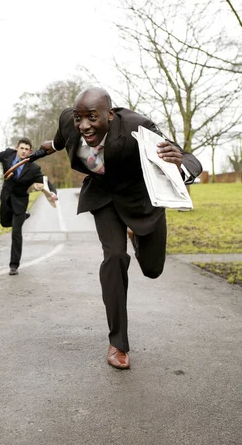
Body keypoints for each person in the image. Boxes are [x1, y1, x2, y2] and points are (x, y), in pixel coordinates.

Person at [40, 87, 202, 370]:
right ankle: (118, 343)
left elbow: (187, 157)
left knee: (153, 269)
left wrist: (180, 166)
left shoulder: (137, 127)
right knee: (114, 258)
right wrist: (49, 147)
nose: (84, 125)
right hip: (103, 197)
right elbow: (60, 137)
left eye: (92, 117)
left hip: (140, 200)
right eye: (80, 118)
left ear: (110, 115)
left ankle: (136, 235)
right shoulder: (71, 121)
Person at [0, 137, 58, 275]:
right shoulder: (8, 155)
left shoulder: (33, 168)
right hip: (6, 197)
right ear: (17, 148)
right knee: (4, 223)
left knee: (16, 233)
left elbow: (45, 182)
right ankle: (24, 217)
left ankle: (14, 265)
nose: (23, 152)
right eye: (21, 148)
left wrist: (52, 193)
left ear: (30, 152)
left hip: (20, 201)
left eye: (26, 150)